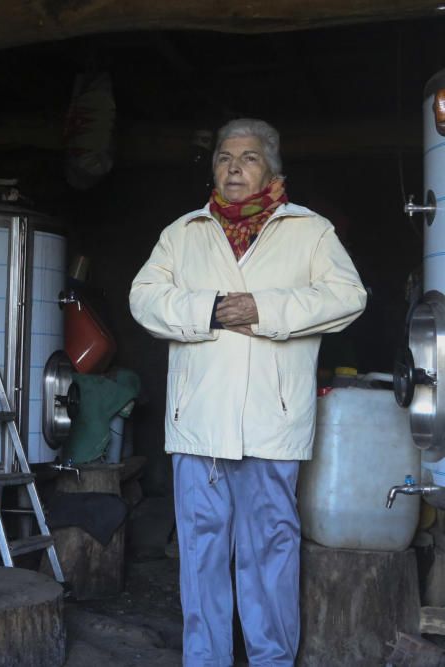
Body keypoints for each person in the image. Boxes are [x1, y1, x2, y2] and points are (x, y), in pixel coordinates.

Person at [129, 118, 366, 666]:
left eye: (249, 157)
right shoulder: (184, 232)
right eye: (224, 157)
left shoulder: (309, 231)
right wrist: (206, 309)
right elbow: (143, 298)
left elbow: (349, 296)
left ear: (272, 170)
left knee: (270, 557)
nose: (234, 167)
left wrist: (267, 309)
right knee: (202, 558)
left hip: (271, 425)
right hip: (199, 427)